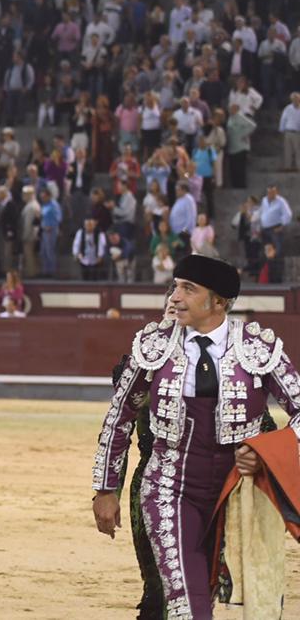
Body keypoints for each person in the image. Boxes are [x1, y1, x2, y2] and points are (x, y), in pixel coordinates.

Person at [93, 253, 300, 620]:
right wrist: (106, 488)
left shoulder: (257, 347)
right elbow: (120, 416)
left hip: (240, 494)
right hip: (169, 486)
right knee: (186, 605)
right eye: (175, 286)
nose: (175, 297)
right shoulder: (154, 345)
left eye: (188, 289)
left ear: (218, 301)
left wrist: (265, 451)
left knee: (260, 601)